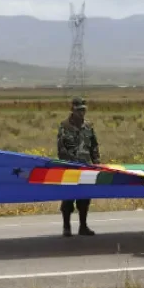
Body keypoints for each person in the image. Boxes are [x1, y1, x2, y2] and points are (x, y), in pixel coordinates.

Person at [56, 96, 100, 237]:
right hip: (70, 168)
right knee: (68, 198)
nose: (81, 113)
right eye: (78, 110)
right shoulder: (65, 126)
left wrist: (97, 163)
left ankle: (83, 226)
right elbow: (61, 149)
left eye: (83, 110)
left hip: (86, 167)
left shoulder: (88, 126)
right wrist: (70, 163)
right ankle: (66, 227)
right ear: (72, 110)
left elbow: (94, 146)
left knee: (84, 199)